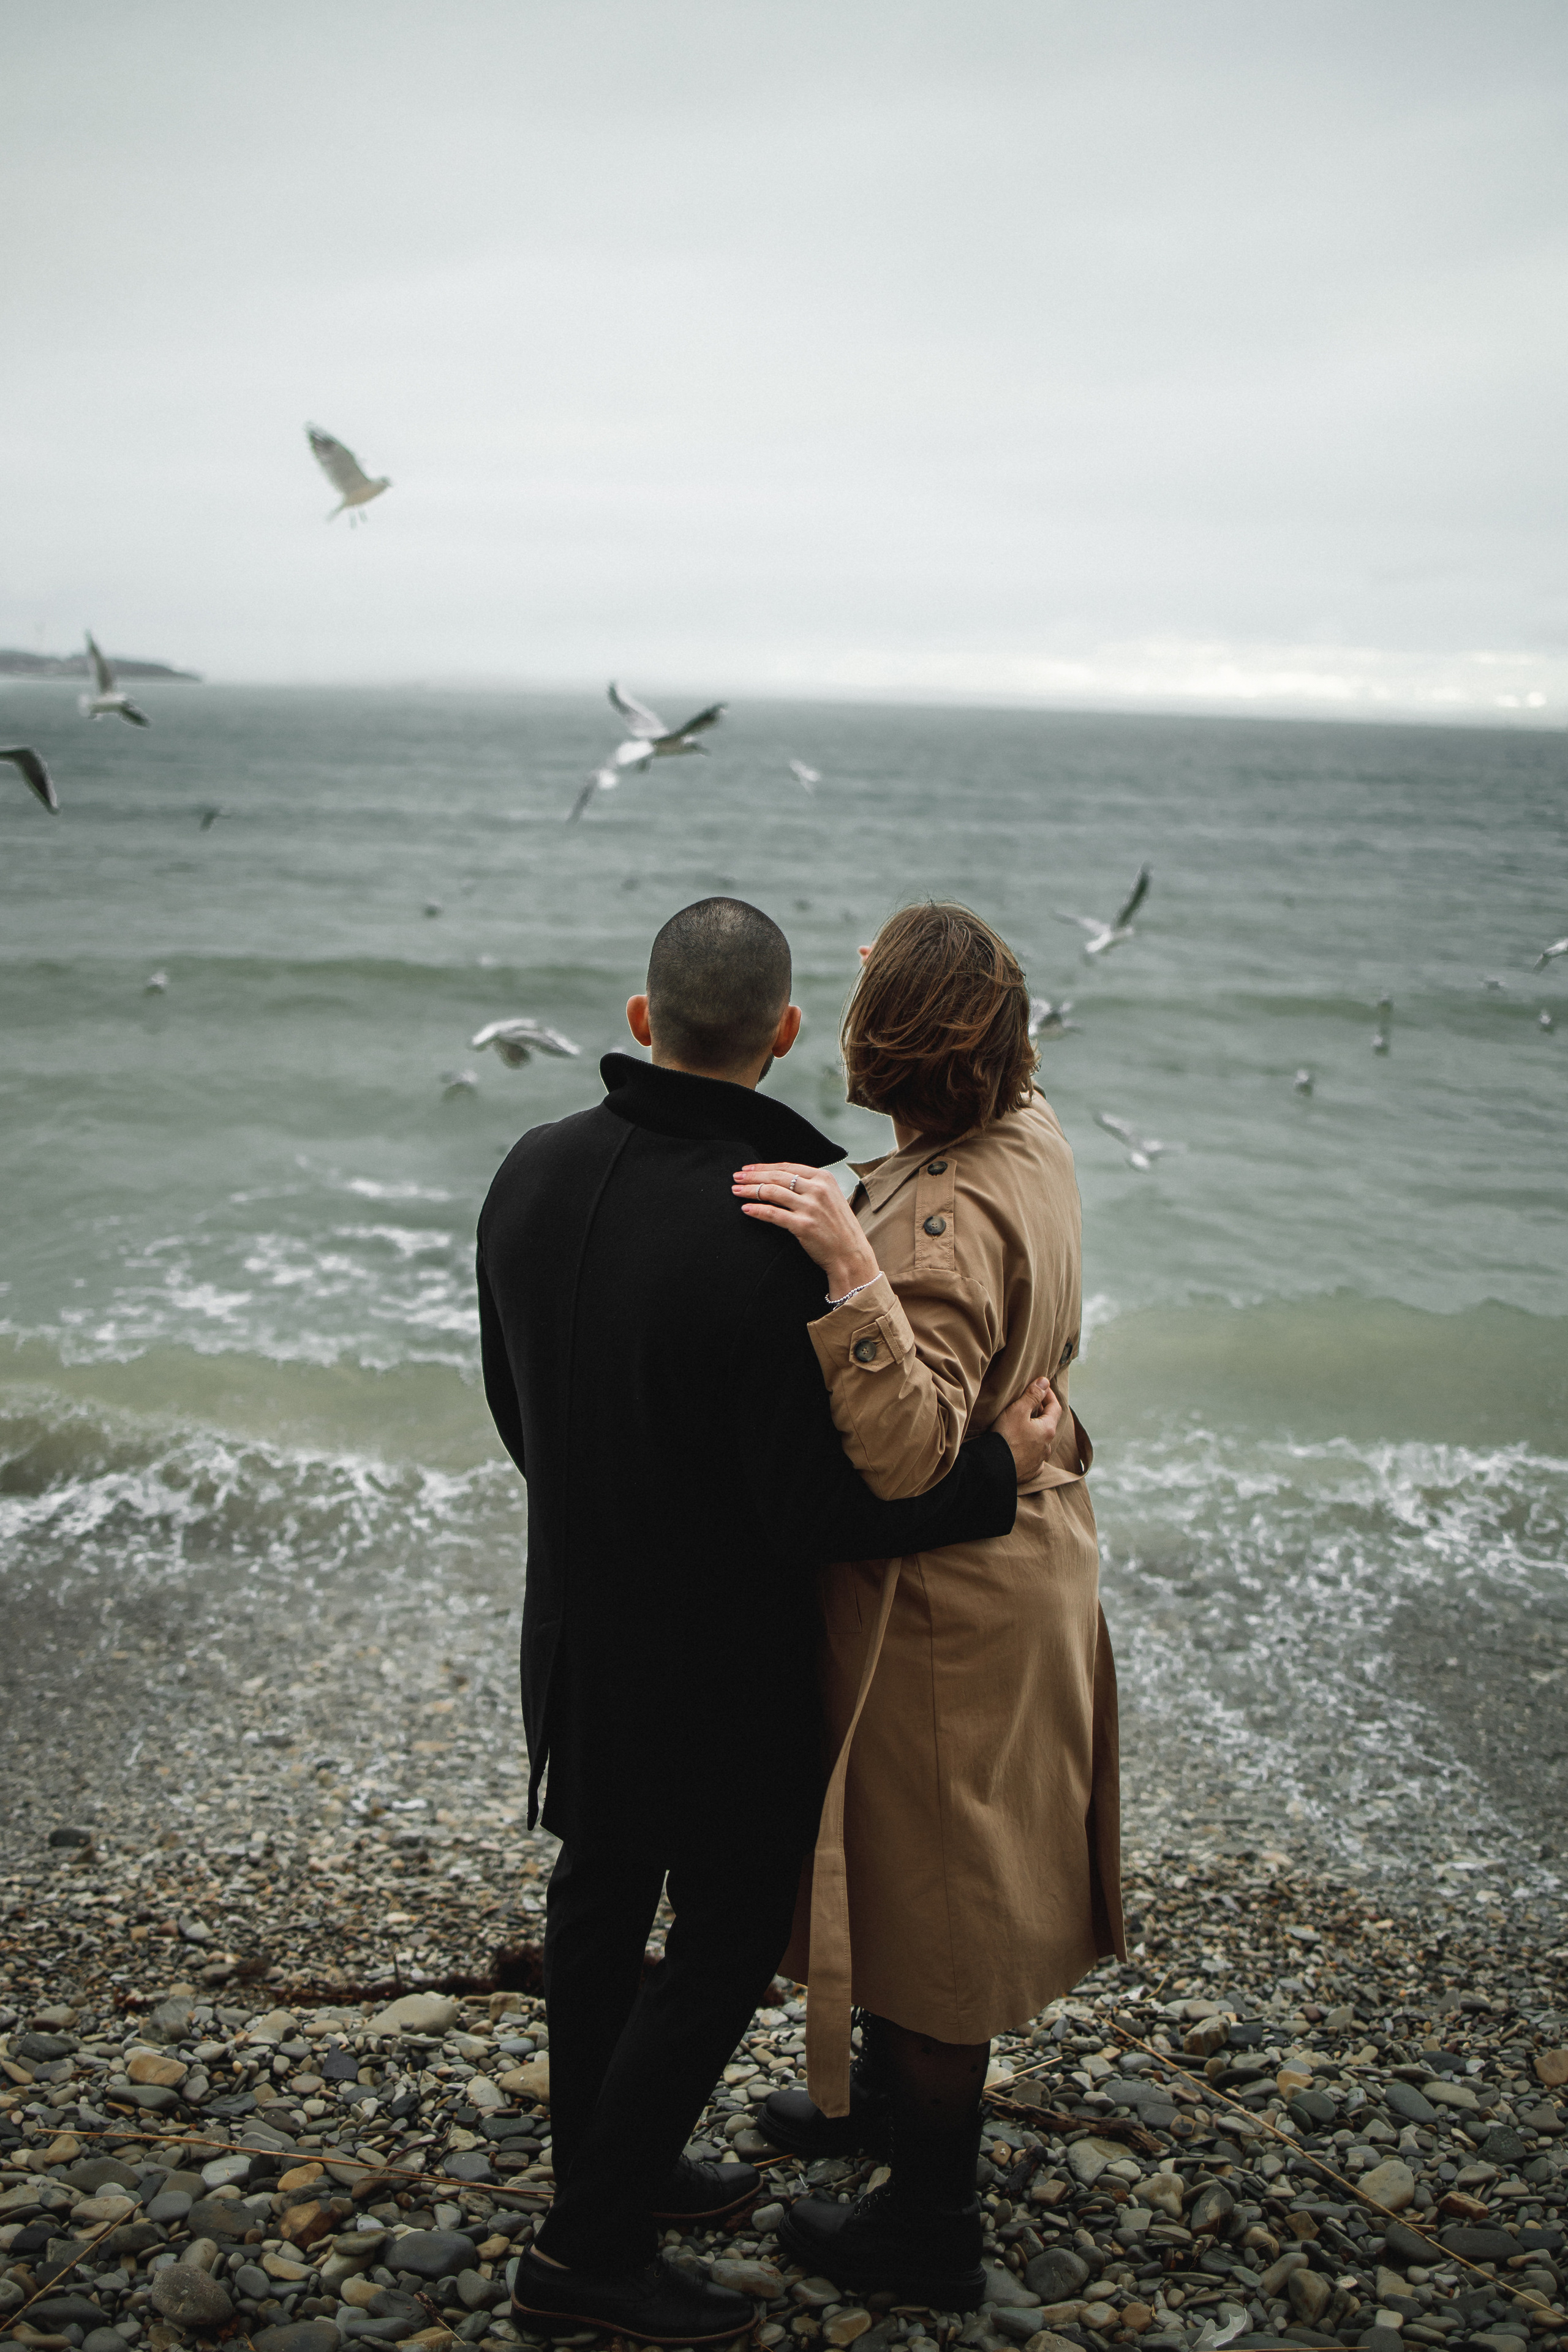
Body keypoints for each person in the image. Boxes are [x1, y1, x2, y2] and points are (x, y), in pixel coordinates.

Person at [475, 897, 1062, 2346]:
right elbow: (835, 1509)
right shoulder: (780, 1220)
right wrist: (1011, 1462)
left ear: (638, 1021)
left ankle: (609, 2164)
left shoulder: (530, 1170)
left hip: (571, 1620)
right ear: (786, 1034)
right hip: (721, 1654)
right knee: (731, 1927)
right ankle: (587, 2253)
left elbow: (515, 1401)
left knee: (601, 1892)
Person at [730, 900, 1125, 2312]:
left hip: (946, 1606)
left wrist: (848, 1265)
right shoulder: (1030, 1129)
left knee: (935, 1893)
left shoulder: (939, 1220)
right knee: (926, 1865)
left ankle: (930, 2226)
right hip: (1028, 1565)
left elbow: (910, 1458)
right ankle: (886, 2115)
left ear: (889, 1051)